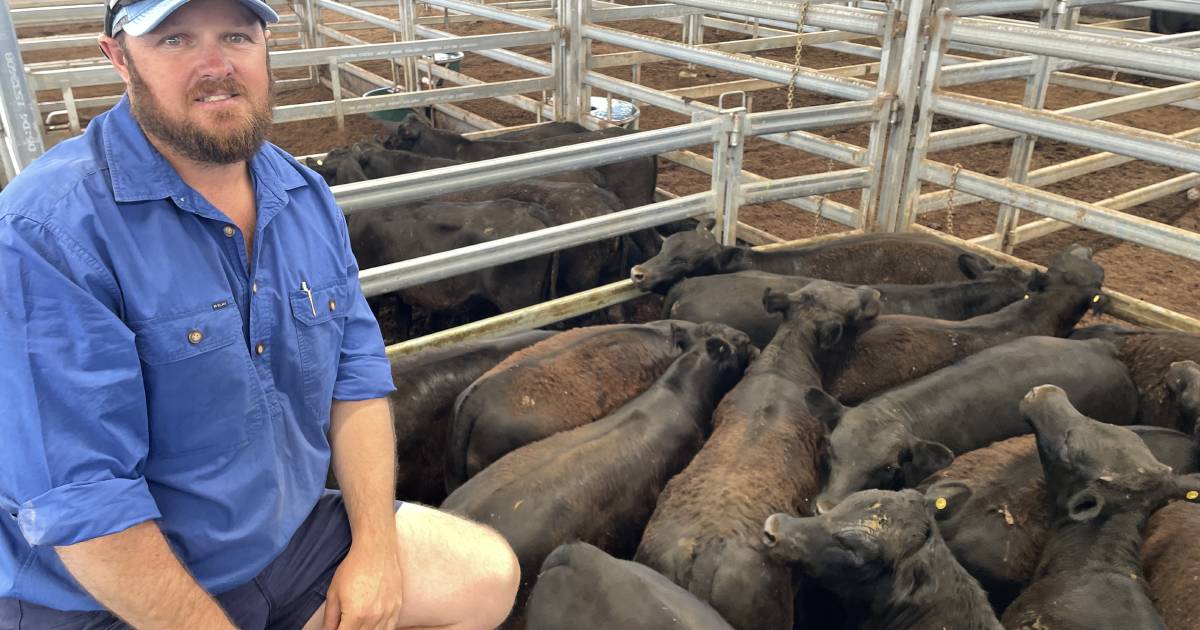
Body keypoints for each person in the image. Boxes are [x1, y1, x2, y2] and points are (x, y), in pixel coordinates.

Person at [0, 0, 520, 628]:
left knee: (485, 575)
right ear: (119, 59)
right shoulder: (46, 232)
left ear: (266, 47)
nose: (216, 65)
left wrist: (375, 552)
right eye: (175, 41)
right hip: (108, 598)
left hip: (281, 546)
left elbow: (355, 379)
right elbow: (85, 505)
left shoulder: (304, 195)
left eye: (237, 36)